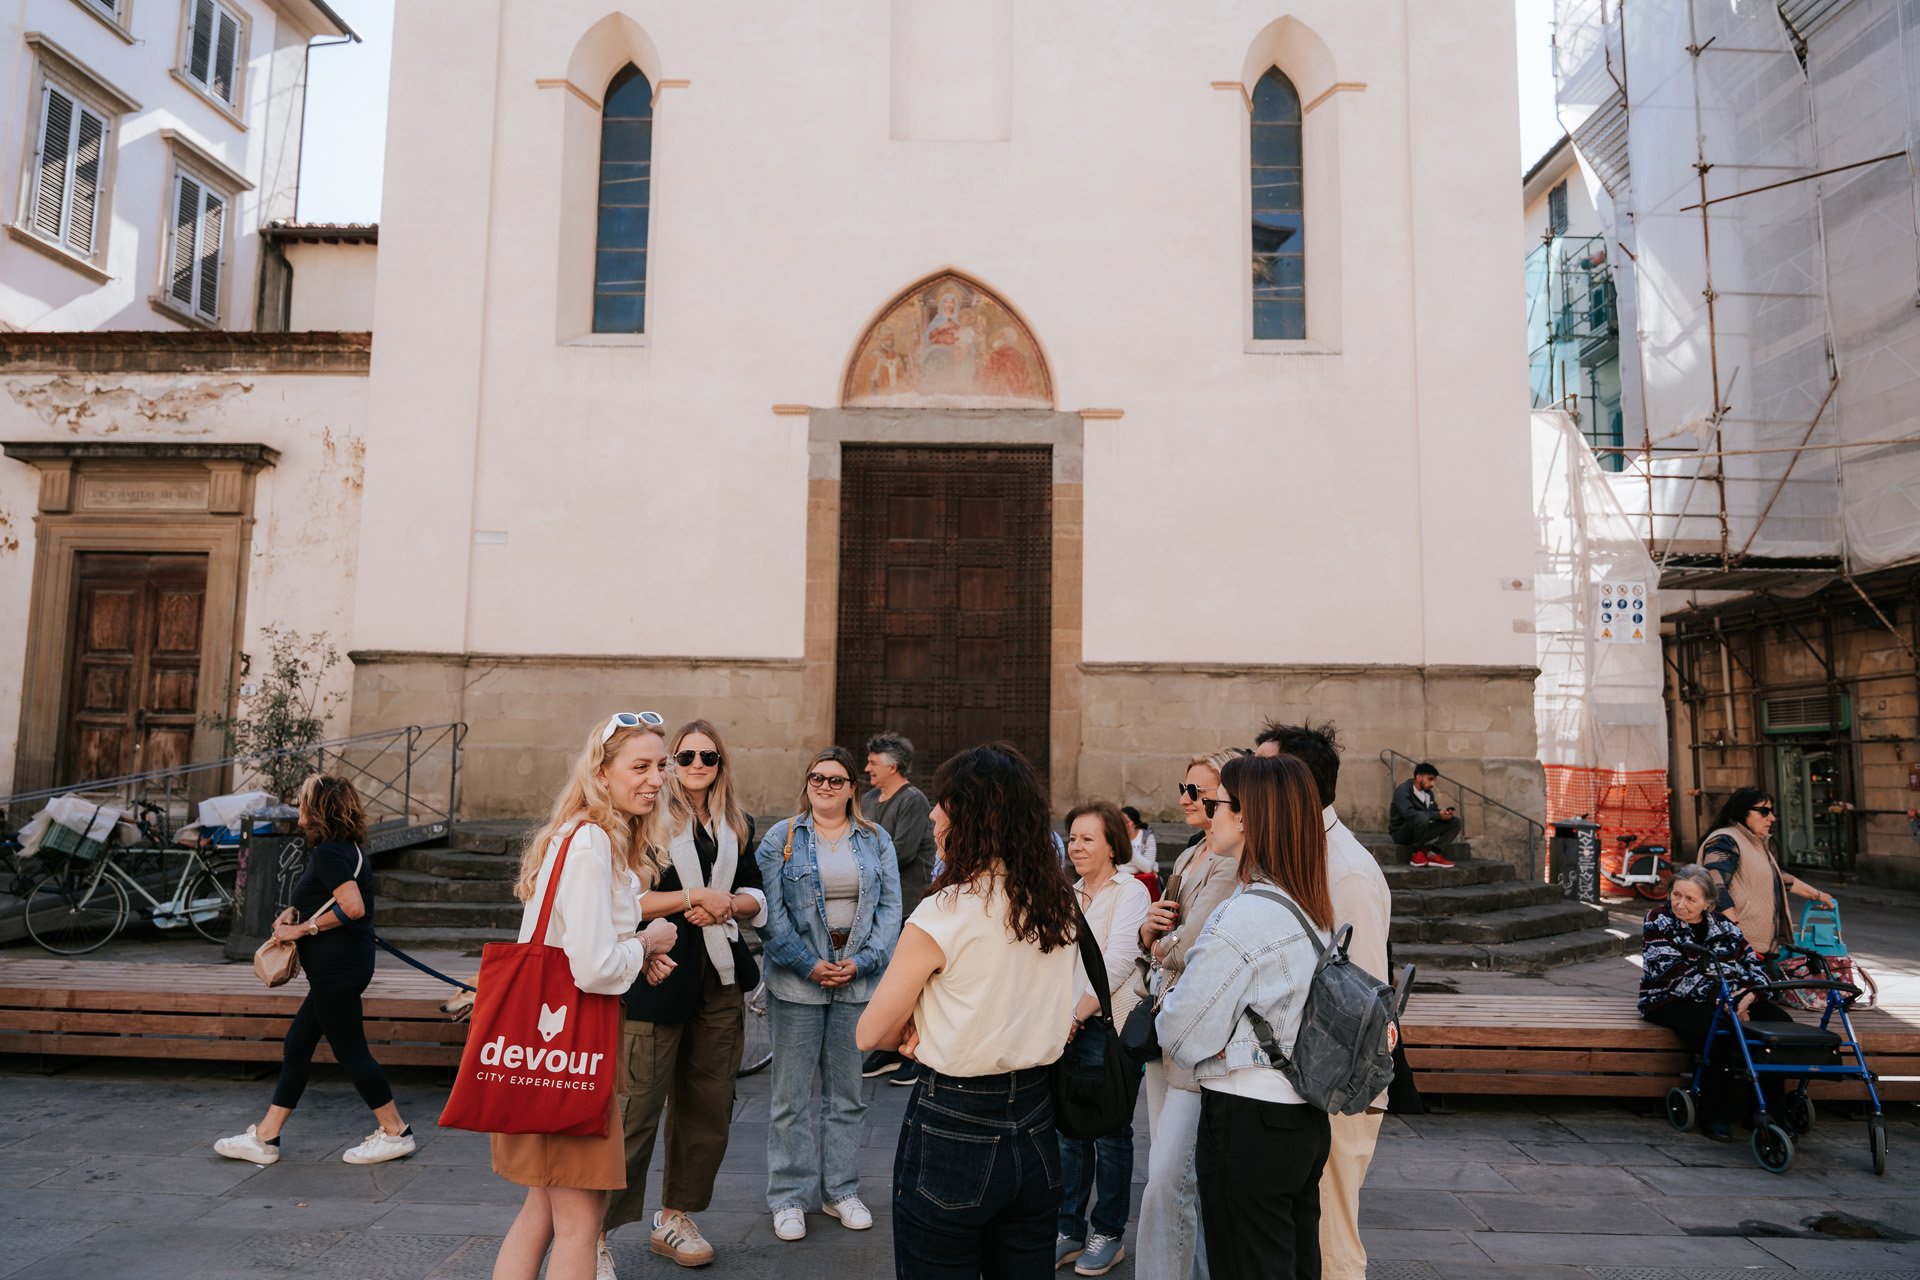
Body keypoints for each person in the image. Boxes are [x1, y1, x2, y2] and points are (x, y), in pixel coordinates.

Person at [856, 743, 1080, 1279]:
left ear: (974, 818)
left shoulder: (944, 911)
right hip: (1037, 1115)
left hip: (955, 1118)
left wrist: (918, 1026)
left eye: (945, 803)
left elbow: (870, 1033)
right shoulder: (1059, 903)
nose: (934, 814)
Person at [487, 713, 679, 1280]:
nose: (655, 779)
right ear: (601, 772)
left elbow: (582, 940)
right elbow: (593, 969)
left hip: (547, 1051)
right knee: (580, 1221)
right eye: (639, 767)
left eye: (660, 766)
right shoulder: (592, 842)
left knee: (542, 1212)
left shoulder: (581, 835)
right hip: (570, 1051)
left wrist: (633, 948)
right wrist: (646, 942)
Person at [1159, 754, 1334, 1280]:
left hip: (1248, 1118)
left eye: (1217, 804)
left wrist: (1175, 1000)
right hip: (1300, 1113)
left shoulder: (1242, 915)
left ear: (1247, 817)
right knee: (1291, 1262)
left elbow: (1180, 1033)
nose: (1209, 813)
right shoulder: (1303, 898)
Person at [604, 719, 768, 1270]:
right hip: (656, 977)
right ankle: (594, 1234)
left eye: (709, 756)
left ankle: (675, 1217)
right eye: (686, 756)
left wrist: (729, 904)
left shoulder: (735, 823)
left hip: (719, 980)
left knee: (708, 1109)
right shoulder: (643, 816)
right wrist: (691, 897)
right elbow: (625, 900)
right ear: (669, 762)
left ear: (721, 764)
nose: (697, 765)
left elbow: (755, 892)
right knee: (634, 1111)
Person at [214, 775, 417, 1168]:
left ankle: (396, 1132)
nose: (299, 812)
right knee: (298, 1045)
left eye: (303, 804)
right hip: (341, 966)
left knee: (350, 1050)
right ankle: (265, 1137)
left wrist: (301, 929)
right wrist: (295, 912)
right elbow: (331, 899)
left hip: (337, 968)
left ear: (319, 809)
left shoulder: (328, 854)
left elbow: (353, 907)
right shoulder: (346, 850)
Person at [1255, 720, 1391, 1280]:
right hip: (1305, 1077)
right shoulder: (1301, 851)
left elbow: (1362, 997)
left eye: (1263, 772)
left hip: (1336, 1083)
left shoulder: (1346, 869)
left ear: (1296, 786)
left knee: (1331, 1239)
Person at [755, 746, 903, 1242]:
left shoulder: (875, 839)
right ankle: (789, 1197)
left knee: (847, 1098)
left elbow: (891, 910)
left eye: (836, 779)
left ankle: (840, 1190)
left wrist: (864, 961)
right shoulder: (782, 838)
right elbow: (769, 915)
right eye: (817, 778)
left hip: (856, 981)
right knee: (791, 1098)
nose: (825, 786)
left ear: (852, 788)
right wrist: (807, 963)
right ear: (807, 783)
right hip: (797, 983)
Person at [1133, 746, 1246, 1280]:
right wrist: (1150, 932)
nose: (1184, 798)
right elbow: (1163, 931)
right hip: (1165, 1016)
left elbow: (1192, 944)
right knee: (1170, 1166)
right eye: (1183, 788)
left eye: (1197, 791)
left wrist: (1157, 944)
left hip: (1199, 1029)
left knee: (1168, 1178)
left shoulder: (1231, 860)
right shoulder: (1190, 854)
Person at [1055, 800, 1152, 1276]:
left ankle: (1108, 1233)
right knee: (1068, 1132)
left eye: (1087, 838)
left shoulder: (1130, 892)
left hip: (1108, 1028)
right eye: (1072, 838)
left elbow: (1117, 962)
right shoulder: (1066, 893)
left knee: (1112, 1134)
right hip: (1066, 1025)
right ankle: (1068, 1230)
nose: (1076, 846)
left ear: (1113, 845)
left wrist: (1075, 1014)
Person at [1640, 865, 1797, 1141]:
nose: (1680, 904)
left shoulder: (1724, 925)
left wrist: (1749, 996)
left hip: (1733, 997)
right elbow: (1670, 974)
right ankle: (1715, 1114)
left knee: (1779, 1026)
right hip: (1669, 998)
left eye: (1690, 899)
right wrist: (1725, 1002)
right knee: (1717, 1032)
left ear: (1707, 903)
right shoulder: (1658, 920)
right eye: (1676, 895)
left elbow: (1755, 965)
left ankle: (1769, 1113)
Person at [861, 730, 938, 1085]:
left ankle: (914, 1054)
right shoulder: (868, 799)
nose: (867, 769)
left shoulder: (913, 800)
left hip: (908, 902)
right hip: (876, 902)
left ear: (893, 766)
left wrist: (859, 860)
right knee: (887, 979)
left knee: (910, 983)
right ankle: (890, 1047)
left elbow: (902, 851)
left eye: (873, 763)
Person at [1696, 787, 1835, 959]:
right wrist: (1735, 932)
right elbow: (1714, 886)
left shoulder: (1751, 841)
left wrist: (1818, 895)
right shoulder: (1726, 840)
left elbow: (1777, 876)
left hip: (1755, 946)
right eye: (1764, 811)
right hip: (1737, 948)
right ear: (1742, 811)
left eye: (1771, 811)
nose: (1771, 818)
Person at [1389, 762, 1460, 867]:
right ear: (1419, 777)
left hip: (1421, 829)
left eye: (1434, 780)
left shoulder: (1428, 793)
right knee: (1421, 818)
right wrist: (1436, 815)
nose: (1433, 784)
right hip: (1401, 833)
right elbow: (1408, 813)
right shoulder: (1403, 790)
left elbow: (1433, 812)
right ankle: (1416, 853)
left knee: (1455, 822)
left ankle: (1433, 853)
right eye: (1430, 779)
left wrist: (1443, 814)